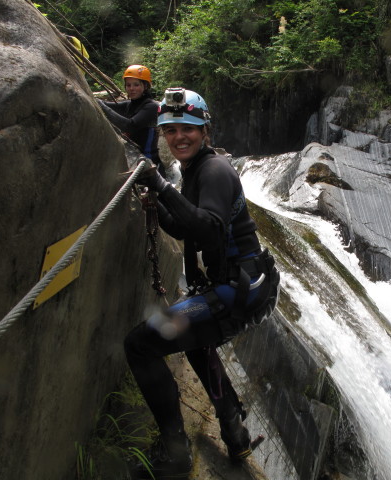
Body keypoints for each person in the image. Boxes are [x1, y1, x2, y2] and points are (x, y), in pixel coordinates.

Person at [124, 87, 280, 479]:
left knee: (141, 345)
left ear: (205, 130)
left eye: (188, 129)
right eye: (171, 129)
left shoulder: (213, 171)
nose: (179, 137)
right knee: (194, 339)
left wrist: (159, 186)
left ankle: (175, 456)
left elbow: (208, 230)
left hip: (238, 287)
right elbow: (184, 225)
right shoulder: (196, 169)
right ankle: (236, 433)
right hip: (243, 281)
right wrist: (158, 202)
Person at [97, 65, 163, 172]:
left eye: (136, 85)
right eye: (128, 85)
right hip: (132, 159)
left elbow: (129, 126)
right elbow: (106, 105)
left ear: (145, 86)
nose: (131, 89)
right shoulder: (129, 105)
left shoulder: (151, 107)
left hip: (148, 163)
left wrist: (102, 106)